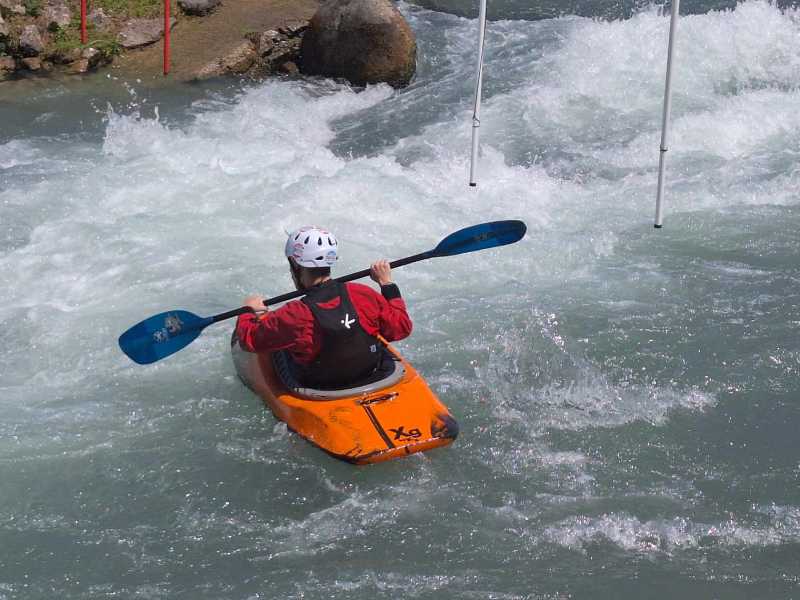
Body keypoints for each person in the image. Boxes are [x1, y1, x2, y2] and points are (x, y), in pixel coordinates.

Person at [235, 226, 413, 389]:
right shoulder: (363, 294)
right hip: (372, 374)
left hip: (321, 387)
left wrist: (249, 313)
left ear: (295, 264)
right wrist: (387, 284)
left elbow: (249, 340)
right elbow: (401, 329)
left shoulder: (294, 314)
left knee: (277, 346)